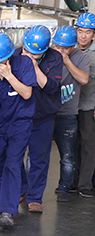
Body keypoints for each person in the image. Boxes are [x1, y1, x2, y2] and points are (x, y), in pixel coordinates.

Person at [0, 32, 36, 228]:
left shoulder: (24, 64)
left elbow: (27, 93)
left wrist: (8, 75)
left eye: (3, 60)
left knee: (12, 164)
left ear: (10, 56)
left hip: (19, 123)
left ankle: (7, 210)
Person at [19, 25, 63, 212]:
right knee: (14, 156)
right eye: (27, 50)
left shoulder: (55, 58)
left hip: (44, 115)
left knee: (39, 158)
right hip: (19, 115)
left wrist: (34, 67)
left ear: (45, 50)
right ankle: (21, 189)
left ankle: (35, 198)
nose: (30, 54)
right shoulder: (15, 55)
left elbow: (51, 87)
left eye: (35, 54)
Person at [51, 25, 89, 202]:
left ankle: (64, 188)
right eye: (57, 46)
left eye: (65, 48)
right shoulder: (48, 54)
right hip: (47, 113)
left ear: (73, 46)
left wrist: (66, 61)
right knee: (36, 154)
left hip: (68, 113)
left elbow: (84, 79)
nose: (60, 51)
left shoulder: (81, 57)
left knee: (67, 156)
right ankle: (31, 192)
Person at [75, 13, 95, 198]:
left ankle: (85, 185)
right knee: (71, 145)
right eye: (80, 31)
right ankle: (71, 182)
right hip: (69, 106)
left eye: (88, 32)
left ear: (93, 34)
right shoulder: (68, 49)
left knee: (89, 146)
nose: (83, 36)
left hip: (89, 106)